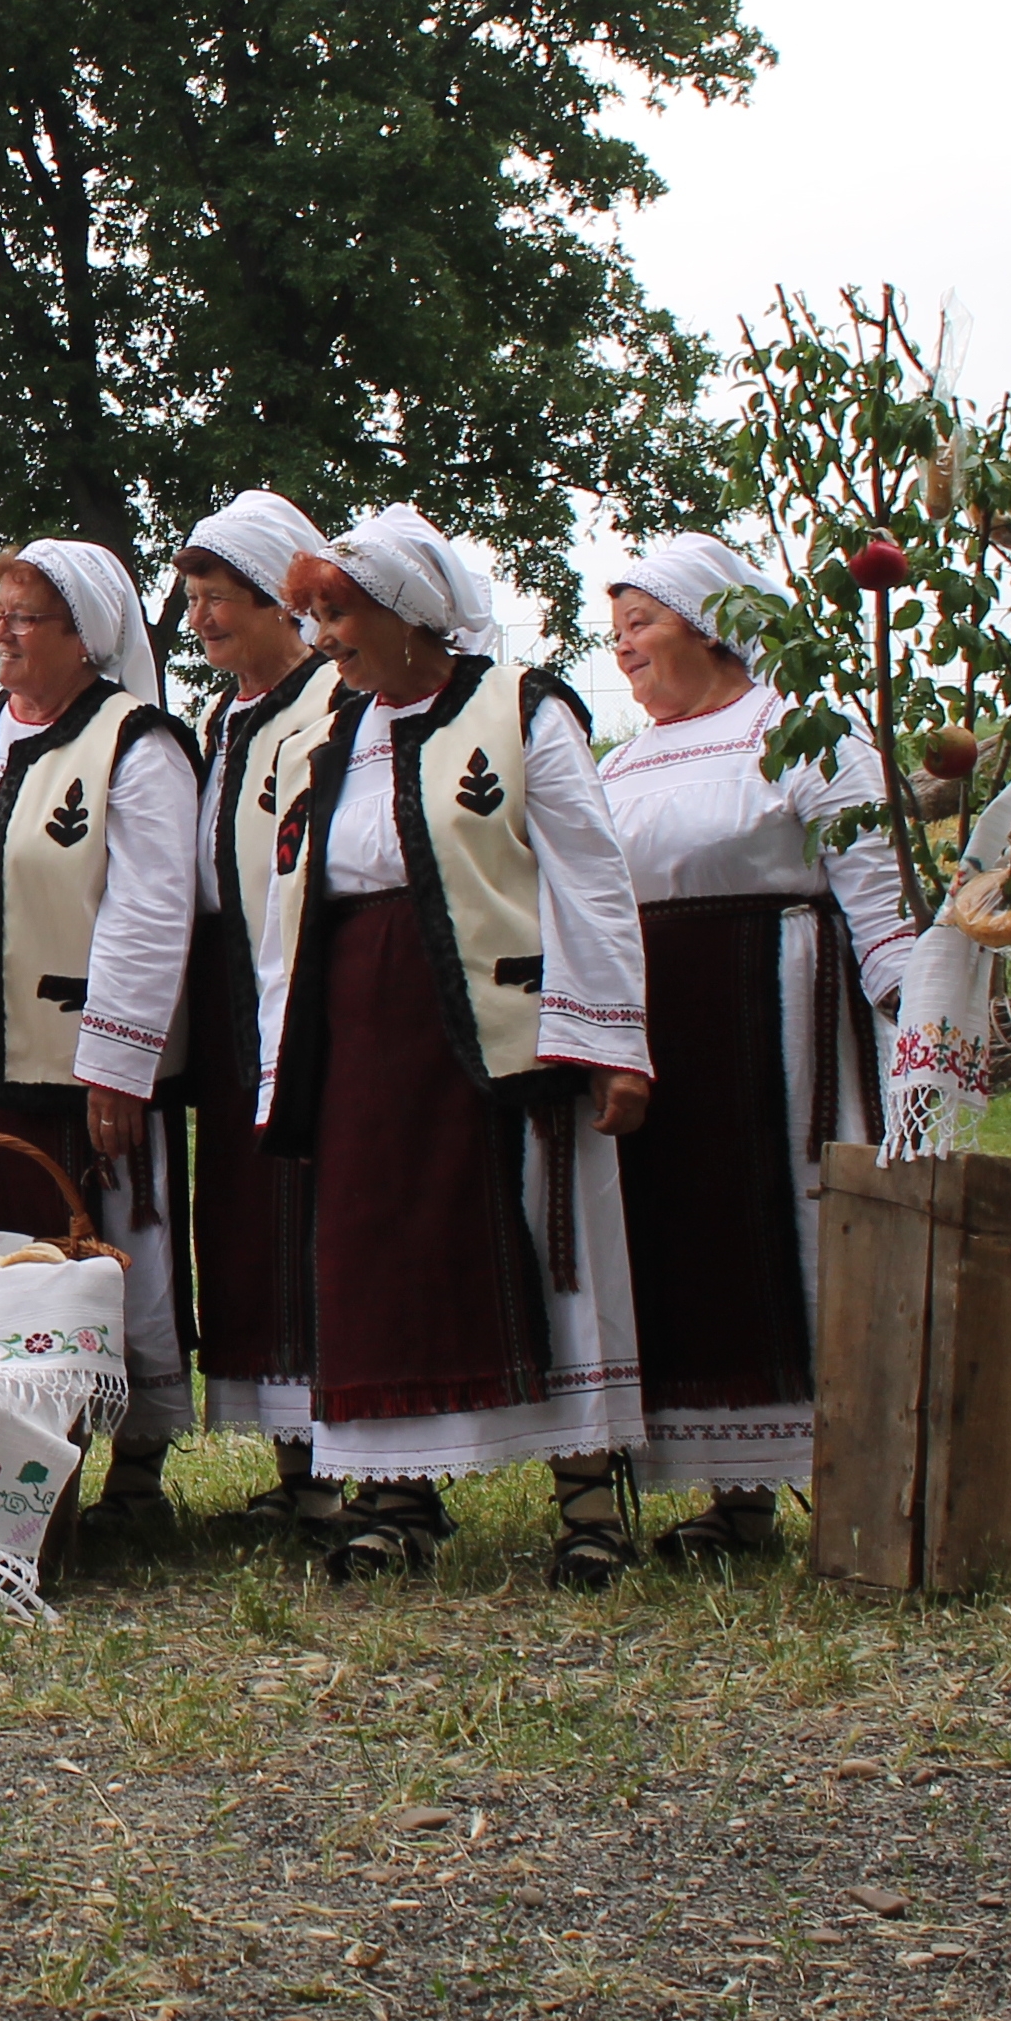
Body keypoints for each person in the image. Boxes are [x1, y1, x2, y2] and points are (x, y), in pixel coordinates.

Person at [257, 508, 651, 1588]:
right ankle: (396, 1498)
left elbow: (589, 877)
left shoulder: (522, 709)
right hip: (362, 1030)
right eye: (317, 614)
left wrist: (613, 1039)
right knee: (378, 1251)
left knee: (542, 1238)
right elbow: (289, 897)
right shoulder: (329, 735)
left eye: (341, 612)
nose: (325, 636)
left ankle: (586, 1502)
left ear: (411, 614)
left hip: (499, 1028)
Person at [596, 536, 920, 1561]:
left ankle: (849, 1477)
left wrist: (921, 1029)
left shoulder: (807, 733)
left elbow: (877, 893)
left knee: (788, 1232)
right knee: (683, 1244)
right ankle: (732, 1500)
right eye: (615, 636)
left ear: (710, 622)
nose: (624, 651)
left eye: (640, 624)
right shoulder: (622, 761)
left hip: (776, 1026)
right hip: (662, 1039)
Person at [0, 543, 203, 1541]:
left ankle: (130, 1463)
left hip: (69, 1040)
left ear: (87, 638)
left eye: (28, 617)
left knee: (92, 1235)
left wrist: (118, 1053)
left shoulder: (135, 741)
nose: (3, 632)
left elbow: (153, 907)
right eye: (1, 611)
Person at [173, 493, 342, 1533]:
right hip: (231, 992)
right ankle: (295, 1468)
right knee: (248, 1228)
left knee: (316, 1224)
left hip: (306, 986)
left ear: (285, 602)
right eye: (193, 600)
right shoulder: (220, 718)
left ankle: (351, 1461)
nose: (200, 620)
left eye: (220, 599)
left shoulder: (331, 702)